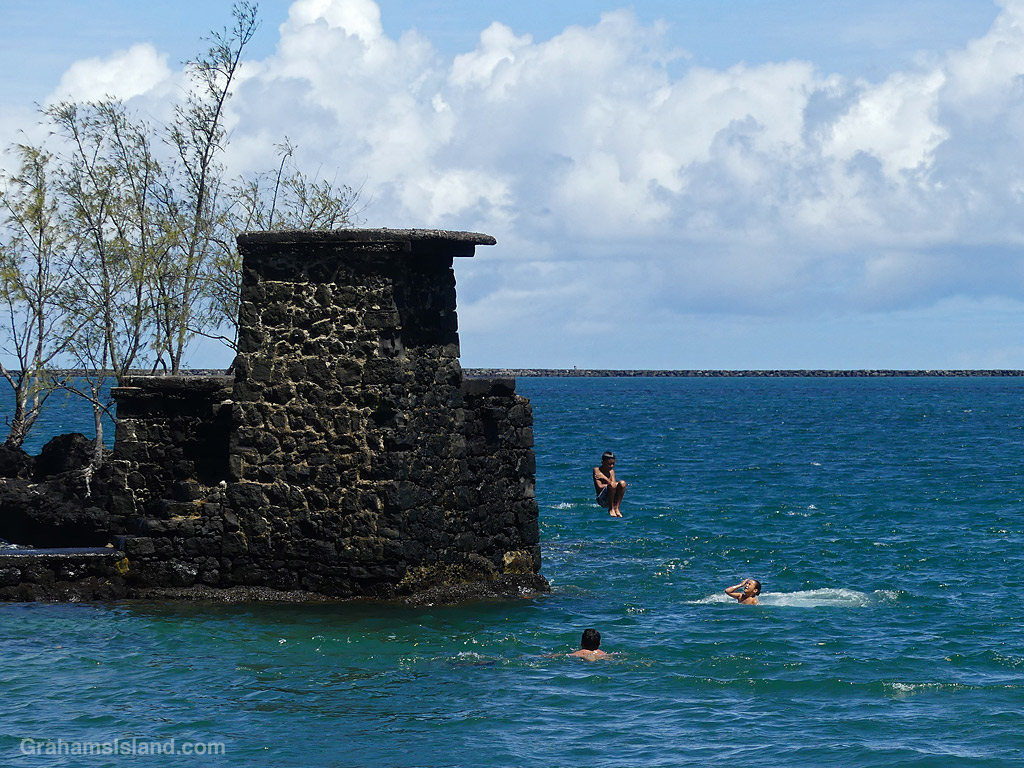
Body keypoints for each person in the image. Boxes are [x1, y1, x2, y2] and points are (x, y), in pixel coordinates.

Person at [593, 451, 626, 517]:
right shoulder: (597, 470)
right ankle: (611, 509)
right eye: (609, 464)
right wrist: (610, 485)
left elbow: (614, 485)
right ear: (603, 462)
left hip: (613, 498)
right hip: (602, 500)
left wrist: (604, 478)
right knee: (612, 485)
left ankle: (617, 508)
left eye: (613, 464)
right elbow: (599, 486)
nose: (611, 466)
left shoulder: (611, 472)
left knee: (622, 483)